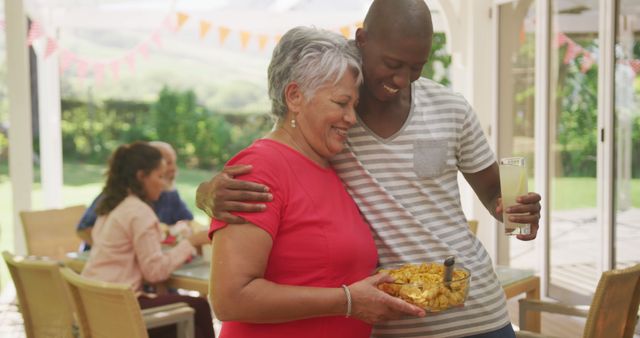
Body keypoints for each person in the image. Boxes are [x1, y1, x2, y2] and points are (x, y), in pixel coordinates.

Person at [197, 1, 543, 337]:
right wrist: (207, 193)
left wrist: (519, 212)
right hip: (389, 323)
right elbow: (278, 154)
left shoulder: (450, 108)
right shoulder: (331, 113)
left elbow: (497, 195)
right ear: (361, 40)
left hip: (476, 314)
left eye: (416, 67)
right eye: (392, 63)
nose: (402, 79)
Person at [208, 26, 425, 338]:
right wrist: (348, 301)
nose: (352, 118)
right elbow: (230, 299)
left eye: (354, 105)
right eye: (341, 103)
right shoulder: (260, 168)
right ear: (295, 96)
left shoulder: (331, 165)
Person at [81, 141, 214, 338]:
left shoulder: (111, 206)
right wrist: (192, 242)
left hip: (96, 303)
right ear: (141, 176)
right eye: (159, 176)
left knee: (193, 325)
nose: (164, 182)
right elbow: (154, 272)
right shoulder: (139, 212)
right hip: (121, 306)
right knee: (200, 306)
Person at [76, 141, 193, 251]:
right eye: (168, 163)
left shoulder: (170, 193)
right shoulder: (118, 196)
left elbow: (187, 221)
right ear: (145, 171)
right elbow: (83, 229)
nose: (174, 169)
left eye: (174, 162)